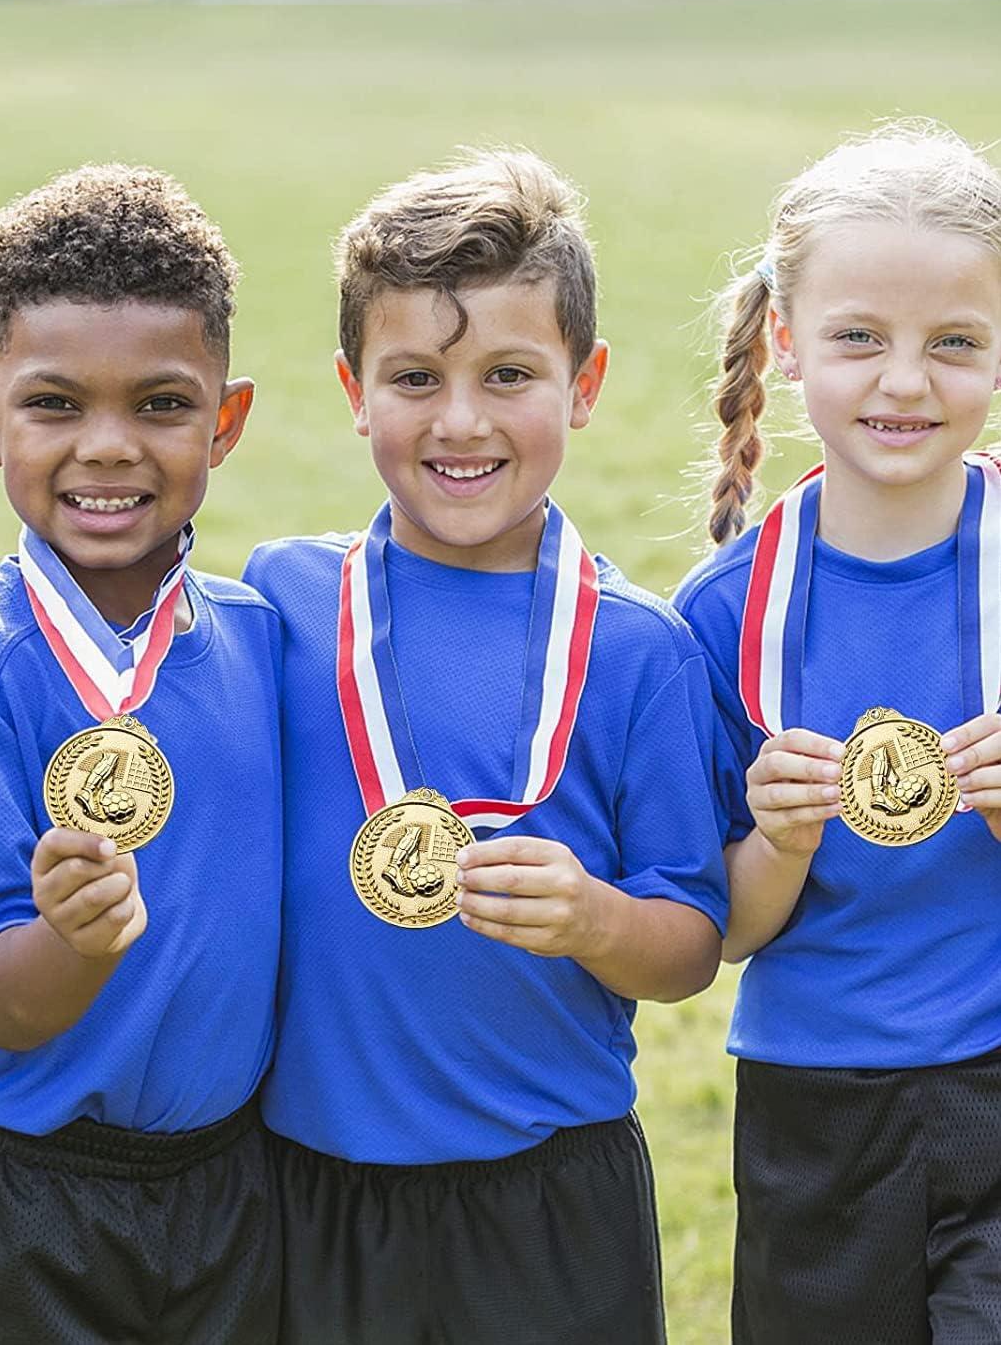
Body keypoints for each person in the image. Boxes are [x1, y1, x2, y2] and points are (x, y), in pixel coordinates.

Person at [242, 149, 729, 1344]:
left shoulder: (641, 650)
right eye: (415, 376)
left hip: (549, 1196)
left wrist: (598, 921)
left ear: (586, 382)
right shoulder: (280, 604)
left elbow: (690, 948)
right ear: (354, 389)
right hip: (307, 1187)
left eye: (509, 374)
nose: (461, 421)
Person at [0, 164, 281, 1345]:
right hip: (20, 1194)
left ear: (226, 418)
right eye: (55, 405)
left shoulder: (268, 640)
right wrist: (71, 939)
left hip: (234, 1183)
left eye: (163, 406)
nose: (108, 449)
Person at [673, 120, 1001, 1344]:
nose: (905, 383)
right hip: (815, 1103)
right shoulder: (723, 618)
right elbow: (725, 932)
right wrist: (780, 839)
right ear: (787, 346)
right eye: (859, 337)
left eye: (954, 344)